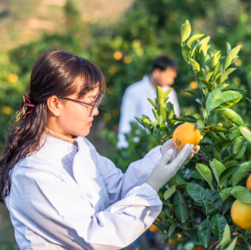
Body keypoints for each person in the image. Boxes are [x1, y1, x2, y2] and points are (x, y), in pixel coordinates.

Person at [0, 51, 199, 250]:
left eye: (97, 101)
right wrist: (151, 188)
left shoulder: (81, 145)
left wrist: (164, 153)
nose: (95, 111)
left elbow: (119, 190)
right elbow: (92, 236)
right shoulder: (32, 173)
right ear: (55, 104)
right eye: (88, 102)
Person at [118, 55, 180, 148]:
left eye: (173, 78)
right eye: (168, 77)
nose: (171, 81)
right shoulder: (134, 90)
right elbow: (126, 120)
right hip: (138, 146)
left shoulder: (170, 93)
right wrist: (124, 148)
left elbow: (175, 119)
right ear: (156, 72)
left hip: (163, 146)